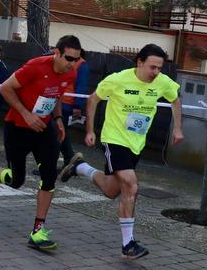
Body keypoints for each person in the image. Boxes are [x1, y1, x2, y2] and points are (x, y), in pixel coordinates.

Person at [60, 44, 182, 260]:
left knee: (111, 190)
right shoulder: (118, 79)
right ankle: (128, 244)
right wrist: (90, 130)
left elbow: (175, 99)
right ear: (140, 62)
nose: (156, 72)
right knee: (131, 184)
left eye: (159, 68)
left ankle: (80, 167)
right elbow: (93, 99)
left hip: (136, 143)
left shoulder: (162, 82)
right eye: (152, 67)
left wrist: (178, 128)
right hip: (114, 140)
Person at [0, 35, 81, 250]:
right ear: (56, 52)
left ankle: (38, 231)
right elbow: (5, 88)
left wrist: (58, 120)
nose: (72, 63)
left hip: (44, 129)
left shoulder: (71, 72)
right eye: (69, 58)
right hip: (18, 128)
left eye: (76, 59)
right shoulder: (35, 66)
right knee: (16, 180)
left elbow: (56, 96)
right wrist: (26, 114)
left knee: (49, 177)